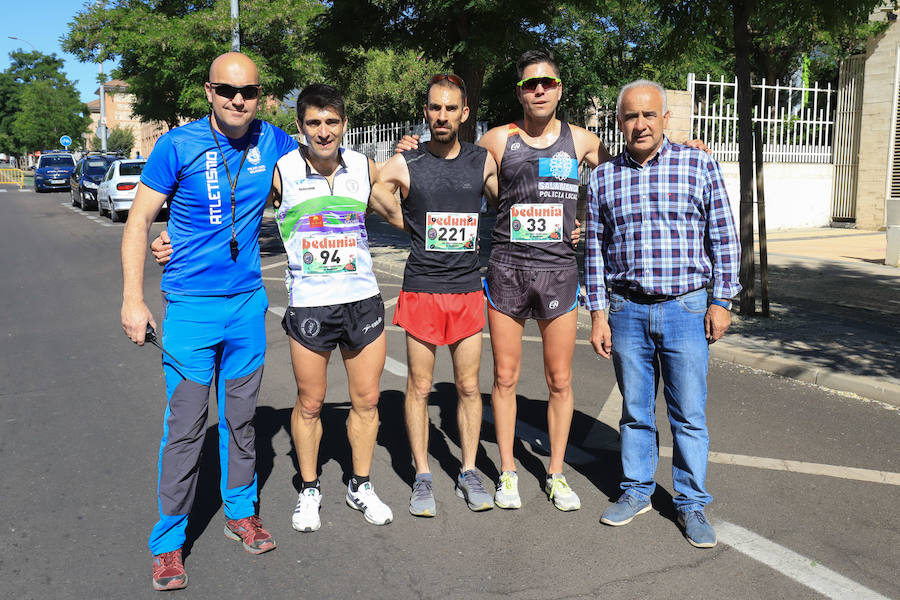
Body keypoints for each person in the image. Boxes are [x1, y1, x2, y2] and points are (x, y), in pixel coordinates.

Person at [121, 52, 298, 591]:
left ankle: (239, 513)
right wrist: (133, 297)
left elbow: (330, 161)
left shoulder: (274, 142)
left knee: (242, 423)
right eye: (226, 90)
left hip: (247, 305)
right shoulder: (177, 144)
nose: (237, 100)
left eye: (247, 91)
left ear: (260, 95)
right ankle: (169, 543)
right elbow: (139, 219)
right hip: (191, 309)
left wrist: (408, 153)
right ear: (209, 91)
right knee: (185, 428)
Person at [585, 80, 740, 548]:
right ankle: (636, 491)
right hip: (628, 311)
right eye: (631, 116)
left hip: (686, 309)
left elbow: (724, 235)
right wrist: (597, 313)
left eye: (649, 115)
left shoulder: (698, 164)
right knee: (635, 413)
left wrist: (722, 300)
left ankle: (691, 504)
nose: (641, 124)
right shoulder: (603, 177)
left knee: (688, 414)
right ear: (619, 122)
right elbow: (593, 250)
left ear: (665, 118)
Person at [275, 84, 404, 533]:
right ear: (300, 127)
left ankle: (360, 485)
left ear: (344, 125)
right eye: (314, 122)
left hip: (362, 302)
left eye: (331, 122)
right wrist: (178, 240)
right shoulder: (283, 170)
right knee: (310, 403)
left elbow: (402, 216)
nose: (323, 131)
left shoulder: (363, 168)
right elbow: (238, 214)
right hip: (311, 305)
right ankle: (309, 489)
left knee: (366, 400)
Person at [374, 74, 500, 516]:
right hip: (423, 287)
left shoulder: (482, 161)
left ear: (464, 113)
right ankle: (423, 475)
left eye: (450, 108)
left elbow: (513, 203)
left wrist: (568, 223)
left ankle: (468, 470)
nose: (441, 116)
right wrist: (406, 225)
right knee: (420, 386)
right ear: (425, 112)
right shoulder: (408, 162)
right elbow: (375, 192)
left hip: (466, 288)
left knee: (468, 386)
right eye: (434, 108)